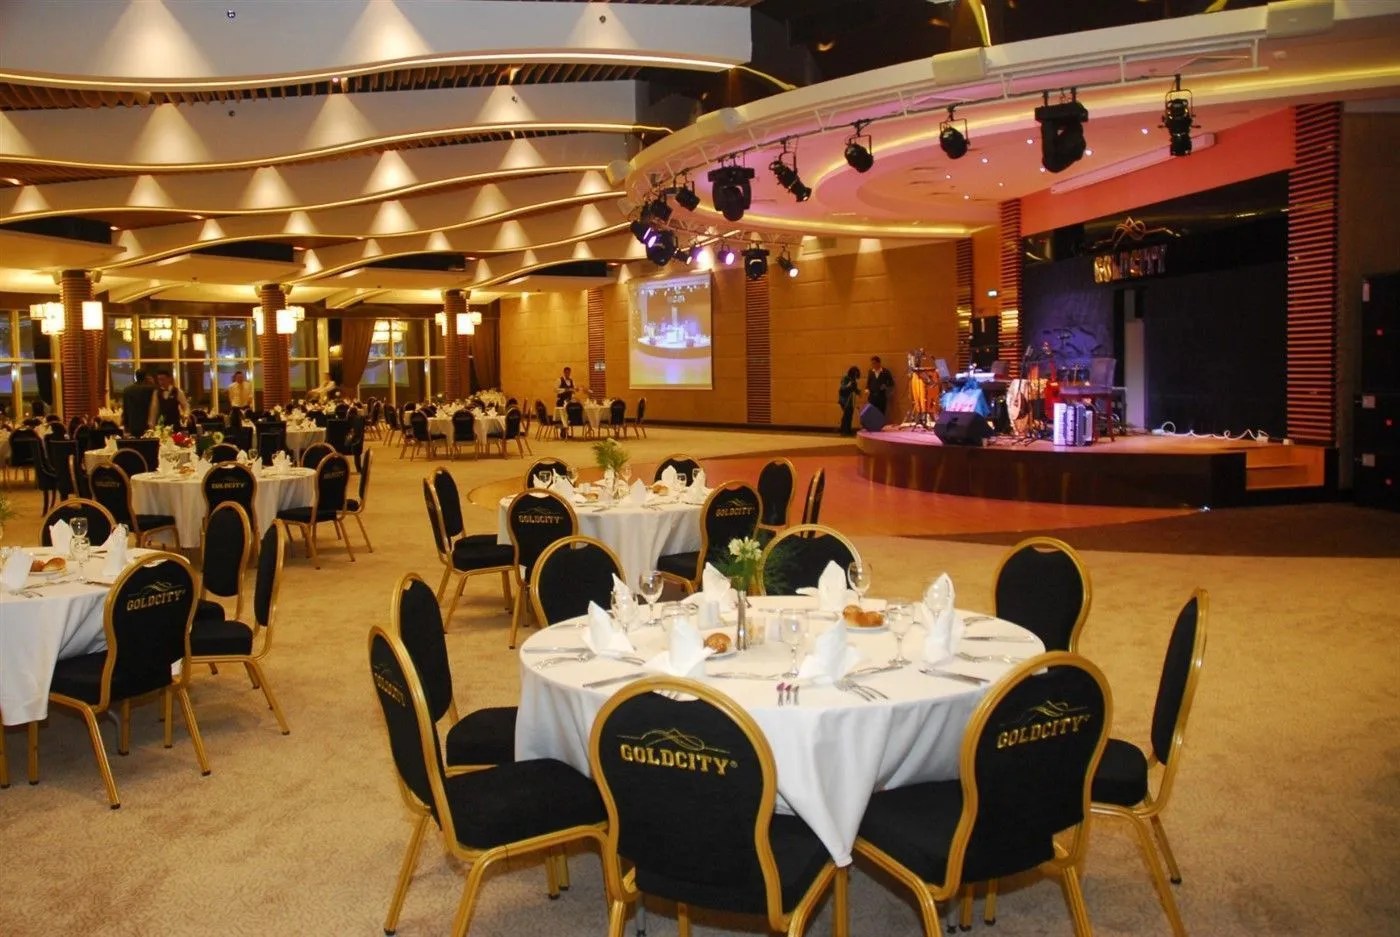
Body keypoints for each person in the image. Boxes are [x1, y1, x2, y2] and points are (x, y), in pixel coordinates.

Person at [121, 369, 156, 437]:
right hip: (145, 424)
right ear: (145, 377)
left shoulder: (127, 390)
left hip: (132, 423)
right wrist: (152, 382)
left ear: (135, 377)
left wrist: (125, 424)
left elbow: (125, 408)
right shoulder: (150, 389)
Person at [838, 365, 862, 437]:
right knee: (846, 415)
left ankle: (848, 430)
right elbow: (842, 388)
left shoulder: (853, 379)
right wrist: (848, 386)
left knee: (850, 416)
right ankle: (843, 431)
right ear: (852, 373)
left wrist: (858, 392)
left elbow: (854, 389)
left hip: (850, 400)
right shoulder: (845, 378)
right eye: (855, 375)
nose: (856, 376)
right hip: (844, 400)